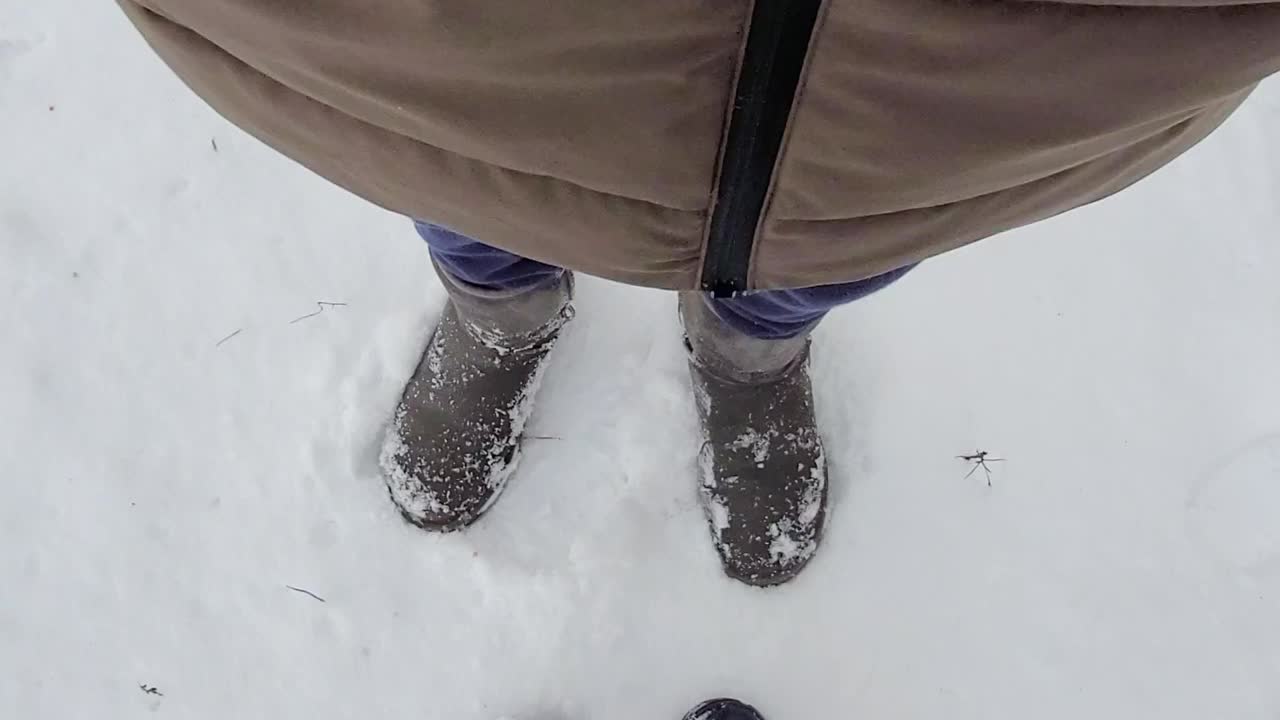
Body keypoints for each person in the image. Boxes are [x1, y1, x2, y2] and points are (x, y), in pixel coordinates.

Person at [117, 1, 1280, 586]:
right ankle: (500, 310)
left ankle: (749, 351)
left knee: (830, 236)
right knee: (470, 178)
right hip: (460, 56)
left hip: (941, 90)